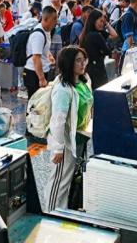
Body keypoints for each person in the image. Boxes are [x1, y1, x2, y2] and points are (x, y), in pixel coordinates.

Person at [45, 46, 92, 211]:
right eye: (78, 61)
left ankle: (63, 211)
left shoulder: (83, 81)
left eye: (83, 60)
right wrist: (58, 148)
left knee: (69, 178)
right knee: (59, 180)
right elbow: (57, 121)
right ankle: (51, 212)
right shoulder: (63, 89)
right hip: (64, 142)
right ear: (68, 63)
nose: (82, 64)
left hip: (79, 137)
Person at [24, 6, 58, 98]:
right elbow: (36, 58)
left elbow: (43, 48)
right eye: (54, 19)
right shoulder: (38, 35)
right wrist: (41, 79)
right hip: (34, 73)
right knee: (35, 102)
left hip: (40, 71)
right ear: (45, 19)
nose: (56, 21)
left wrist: (49, 55)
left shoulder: (47, 31)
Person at [79, 9, 113, 88]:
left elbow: (114, 35)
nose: (102, 24)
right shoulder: (96, 35)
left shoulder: (85, 34)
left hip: (88, 69)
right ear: (94, 20)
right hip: (98, 70)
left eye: (103, 22)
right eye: (100, 21)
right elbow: (108, 51)